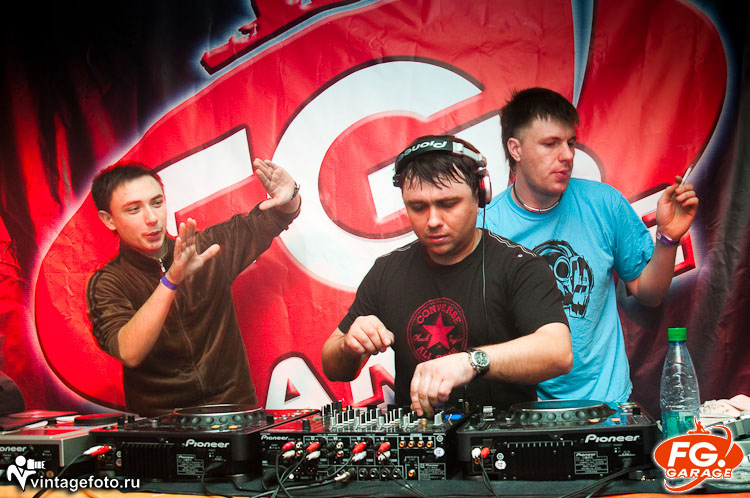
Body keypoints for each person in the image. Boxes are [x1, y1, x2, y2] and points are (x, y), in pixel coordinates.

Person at [321, 135, 572, 416]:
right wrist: (350, 347)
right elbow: (334, 367)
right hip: (419, 437)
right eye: (418, 207)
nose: (433, 221)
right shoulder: (386, 272)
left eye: (448, 204)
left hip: (501, 437)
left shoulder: (518, 266)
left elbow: (558, 352)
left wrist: (471, 362)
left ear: (479, 196)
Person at [483, 87, 699, 403]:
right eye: (550, 144)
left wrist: (668, 238)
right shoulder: (487, 226)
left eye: (570, 143)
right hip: (525, 408)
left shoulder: (604, 204)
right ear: (515, 149)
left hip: (607, 403)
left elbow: (649, 295)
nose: (567, 155)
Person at [87, 159, 301, 416]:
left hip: (233, 413)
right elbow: (130, 352)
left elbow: (274, 217)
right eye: (134, 209)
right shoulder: (108, 283)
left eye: (157, 203)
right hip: (162, 423)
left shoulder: (206, 249)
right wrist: (172, 279)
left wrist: (290, 196)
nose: (151, 218)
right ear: (109, 220)